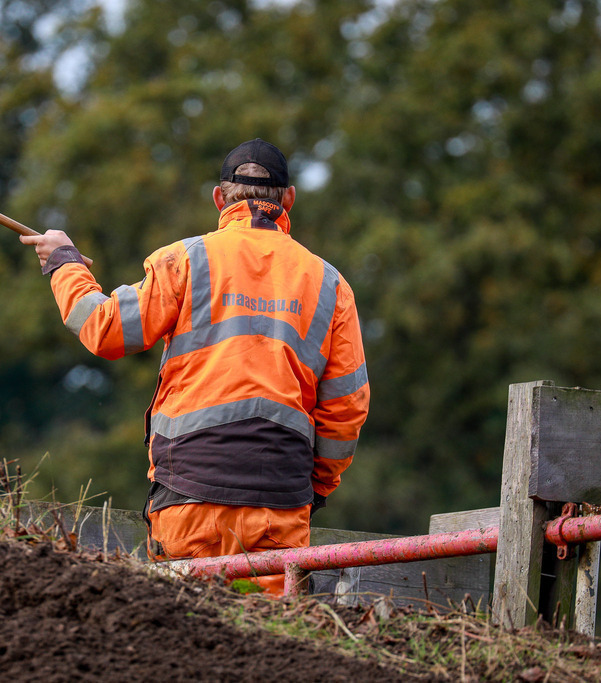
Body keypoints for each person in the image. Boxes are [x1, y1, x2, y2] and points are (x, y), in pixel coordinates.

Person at [20, 138, 369, 594]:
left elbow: (105, 329)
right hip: (280, 504)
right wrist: (313, 490)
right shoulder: (331, 284)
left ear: (220, 198)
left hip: (188, 494)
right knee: (272, 643)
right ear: (288, 199)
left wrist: (64, 264)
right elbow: (347, 409)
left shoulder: (186, 260)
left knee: (186, 633)